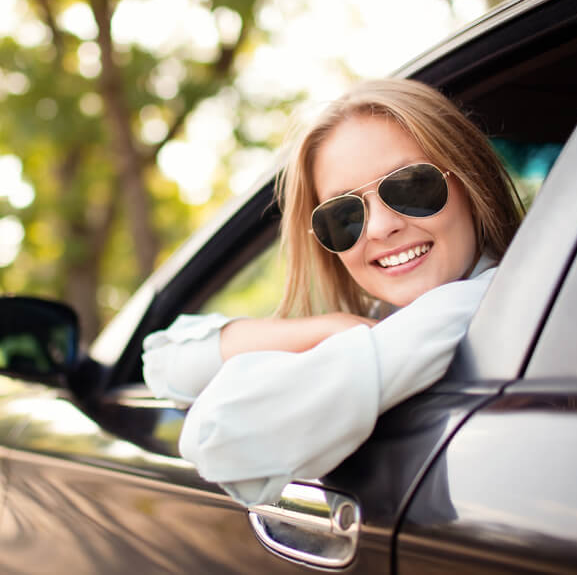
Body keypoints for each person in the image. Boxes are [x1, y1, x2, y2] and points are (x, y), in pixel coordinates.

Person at [142, 78, 524, 507]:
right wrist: (332, 328)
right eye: (343, 215)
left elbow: (217, 439)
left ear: (471, 181)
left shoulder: (477, 305)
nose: (381, 227)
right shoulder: (391, 321)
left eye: (412, 186)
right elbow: (164, 362)